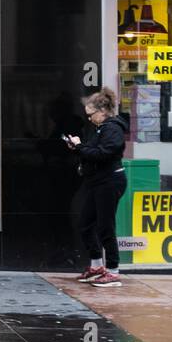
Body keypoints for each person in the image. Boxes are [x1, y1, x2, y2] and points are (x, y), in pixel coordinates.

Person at [66, 87, 129, 288]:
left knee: (105, 226)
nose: (90, 118)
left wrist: (80, 147)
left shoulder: (113, 128)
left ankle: (113, 271)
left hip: (110, 181)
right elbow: (93, 151)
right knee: (85, 223)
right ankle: (96, 265)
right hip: (98, 181)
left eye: (91, 114)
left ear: (103, 111)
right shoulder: (101, 129)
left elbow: (103, 153)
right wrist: (79, 147)